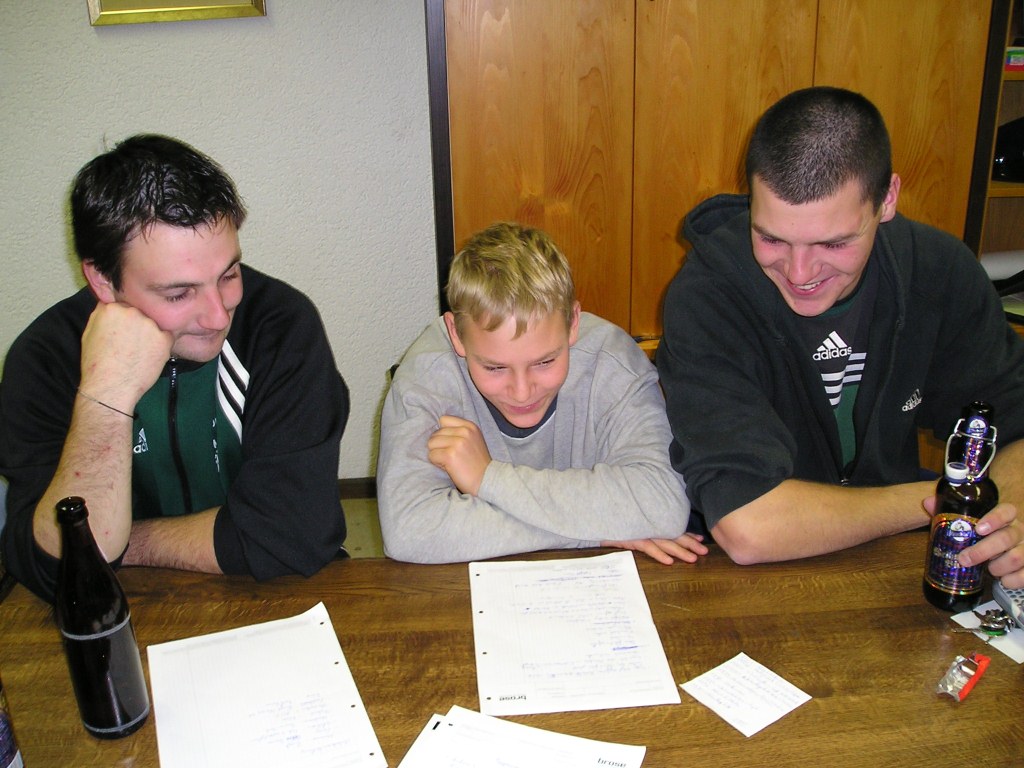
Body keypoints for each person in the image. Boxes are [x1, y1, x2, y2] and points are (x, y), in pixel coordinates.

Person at [656, 86, 1024, 586]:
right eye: (771, 238)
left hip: (890, 563)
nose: (799, 273)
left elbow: (1015, 423)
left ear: (887, 199)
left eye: (832, 243)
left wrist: (1008, 522)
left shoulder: (939, 271)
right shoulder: (709, 294)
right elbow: (749, 526)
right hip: (744, 581)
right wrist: (947, 501)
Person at [0, 135, 350, 602]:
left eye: (228, 275)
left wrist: (122, 545)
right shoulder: (45, 357)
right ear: (102, 279)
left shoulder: (280, 324)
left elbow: (294, 537)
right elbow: (49, 566)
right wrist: (105, 397)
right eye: (178, 293)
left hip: (274, 598)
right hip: (126, 608)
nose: (218, 316)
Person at [377, 222, 704, 564]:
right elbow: (409, 532)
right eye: (495, 368)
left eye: (545, 362)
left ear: (573, 322)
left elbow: (663, 506)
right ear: (456, 335)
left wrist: (488, 478)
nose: (522, 393)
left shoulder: (614, 361)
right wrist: (598, 529)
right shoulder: (425, 376)